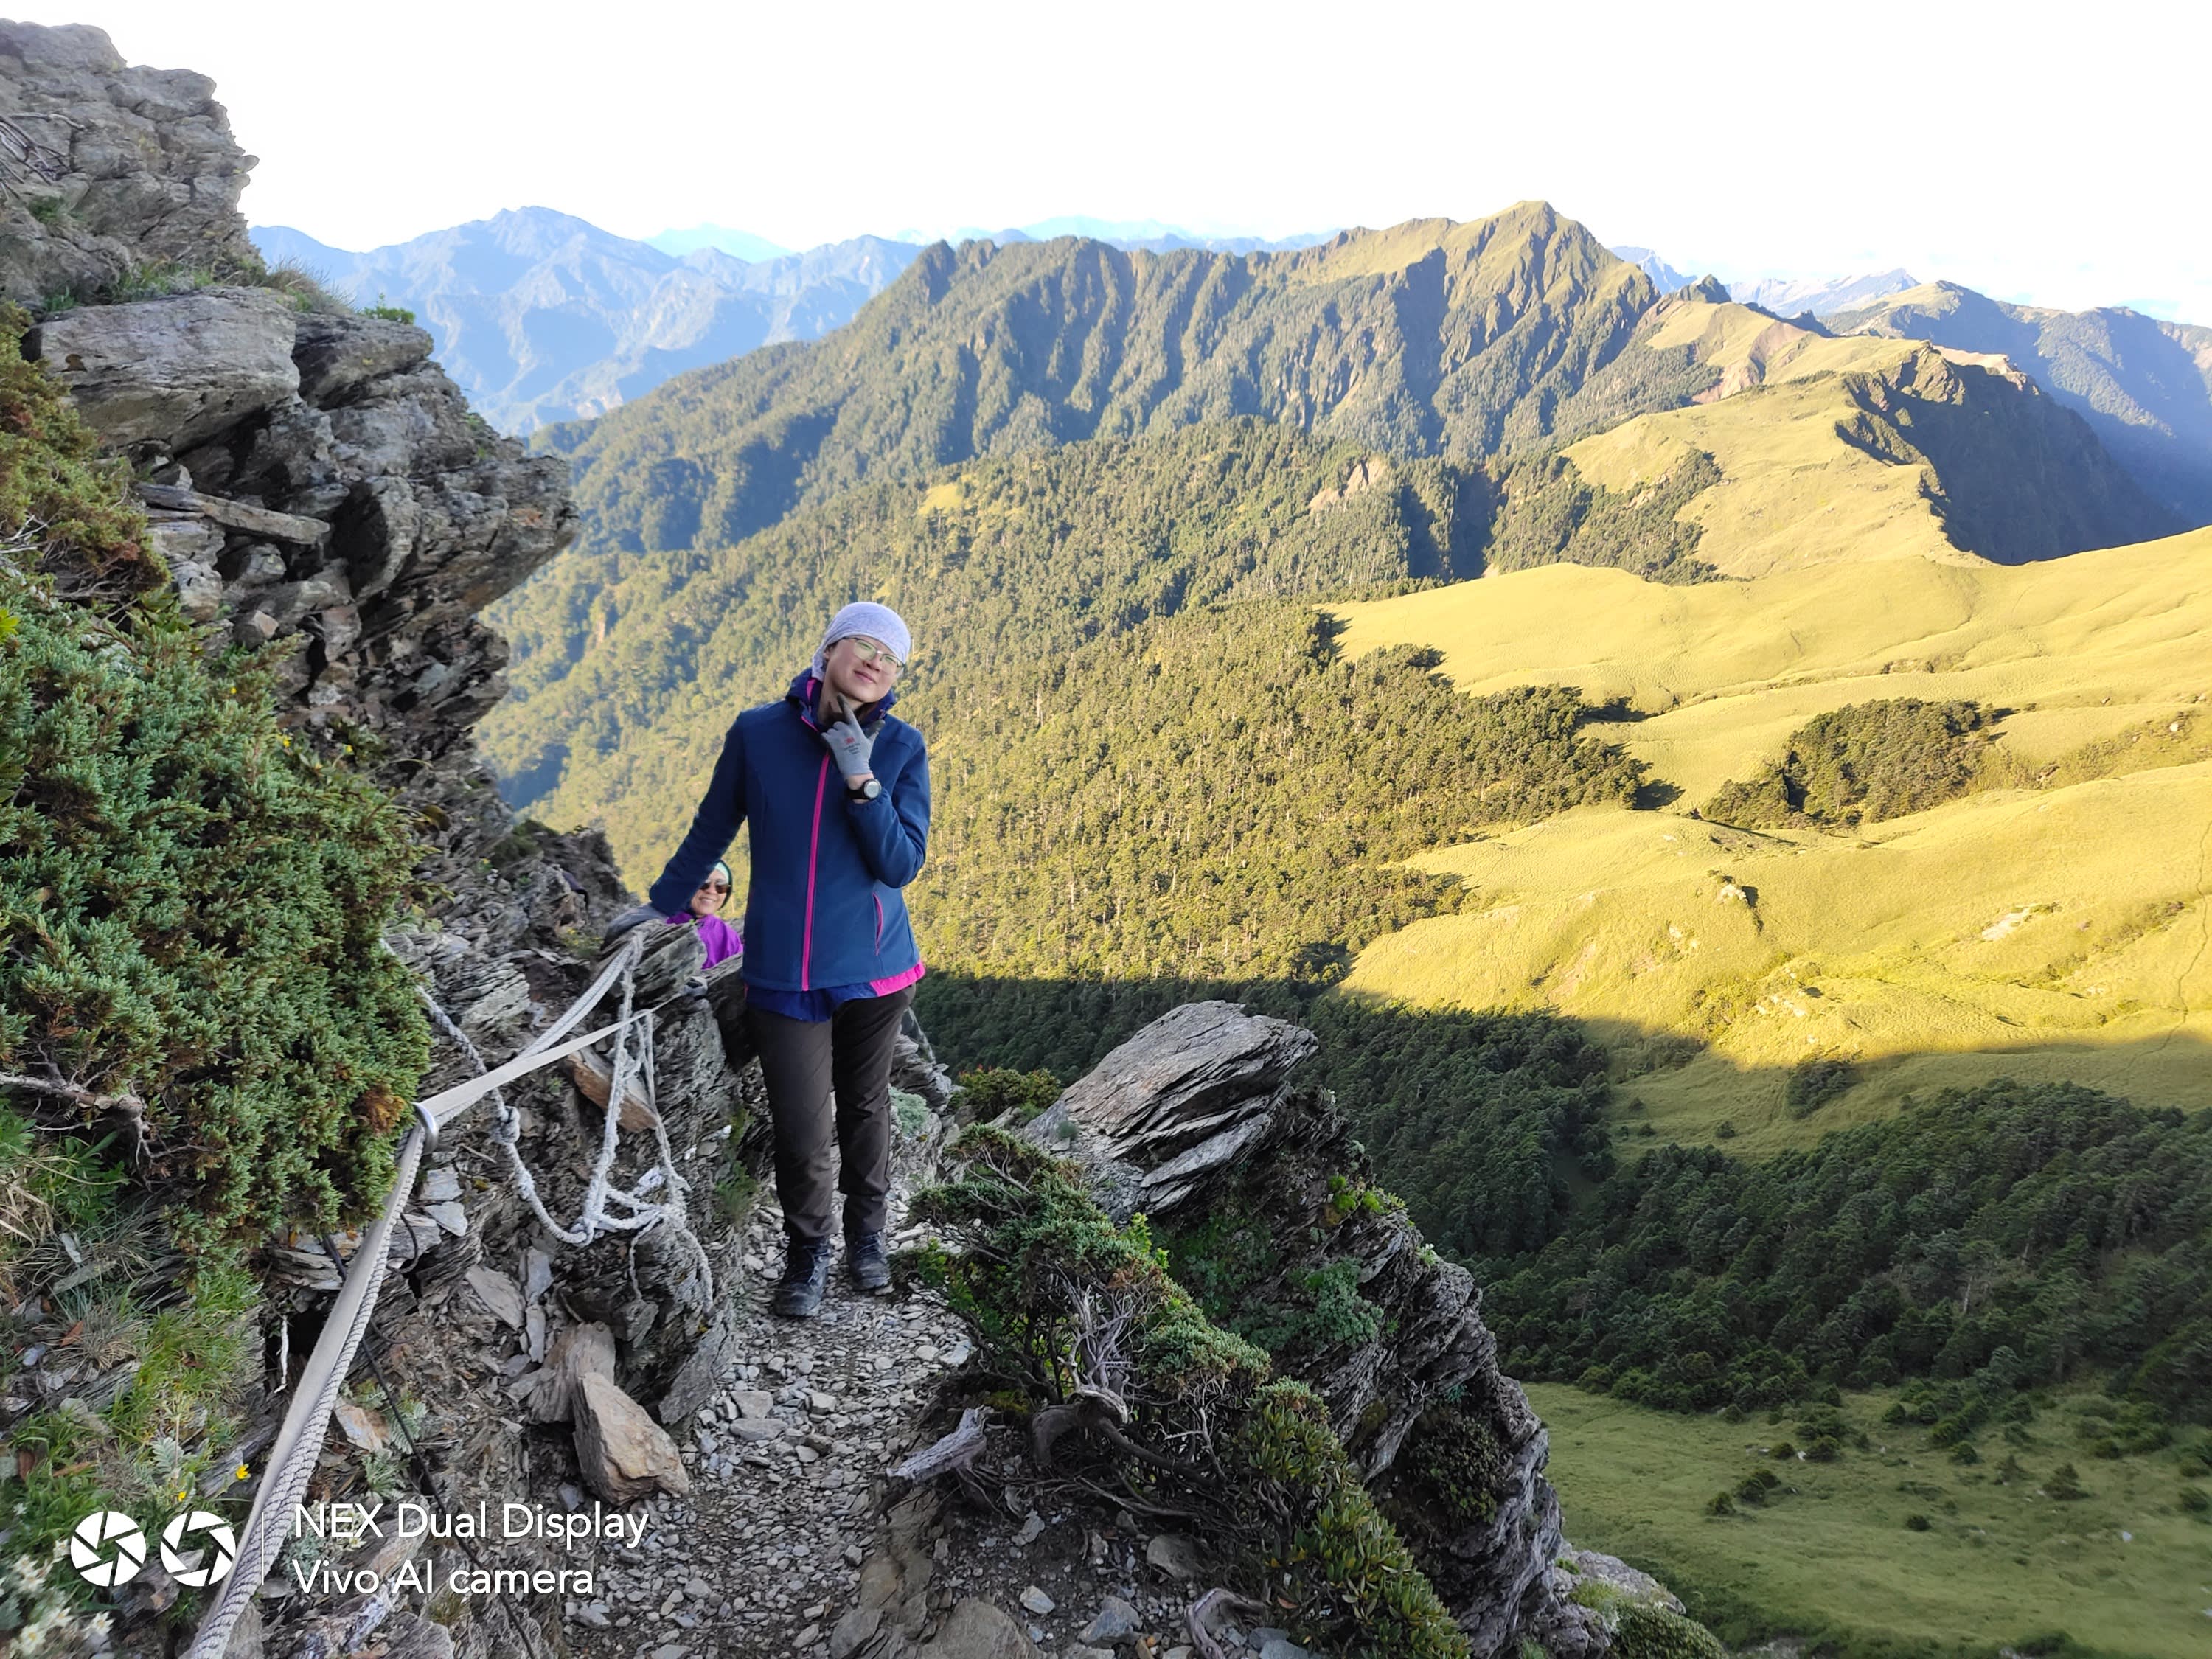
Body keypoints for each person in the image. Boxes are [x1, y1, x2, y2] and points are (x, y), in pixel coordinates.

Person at [605, 602, 928, 1318]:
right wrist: (660, 908)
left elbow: (901, 864)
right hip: (785, 969)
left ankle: (867, 1237)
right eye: (865, 645)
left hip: (876, 966)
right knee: (802, 1126)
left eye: (891, 658)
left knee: (865, 1108)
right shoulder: (759, 733)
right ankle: (808, 1251)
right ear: (829, 650)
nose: (876, 663)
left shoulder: (903, 746)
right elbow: (713, 827)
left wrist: (863, 782)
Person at [685, 860, 743, 969]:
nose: (711, 891)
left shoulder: (728, 937)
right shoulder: (660, 922)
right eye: (703, 883)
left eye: (721, 886)